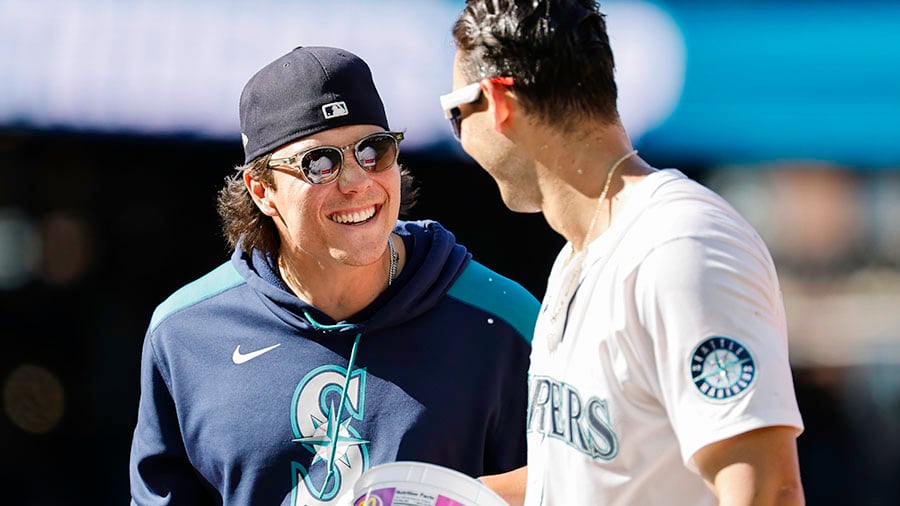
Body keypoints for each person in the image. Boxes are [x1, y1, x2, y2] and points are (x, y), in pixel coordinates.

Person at [129, 46, 539, 505]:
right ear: (262, 190)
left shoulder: (503, 319)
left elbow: (576, 482)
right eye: (319, 164)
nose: (357, 183)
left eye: (373, 151)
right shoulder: (184, 333)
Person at [442, 1, 806, 505]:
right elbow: (586, 475)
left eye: (456, 113)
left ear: (498, 101)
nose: (459, 135)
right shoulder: (582, 253)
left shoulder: (680, 244)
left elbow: (767, 490)